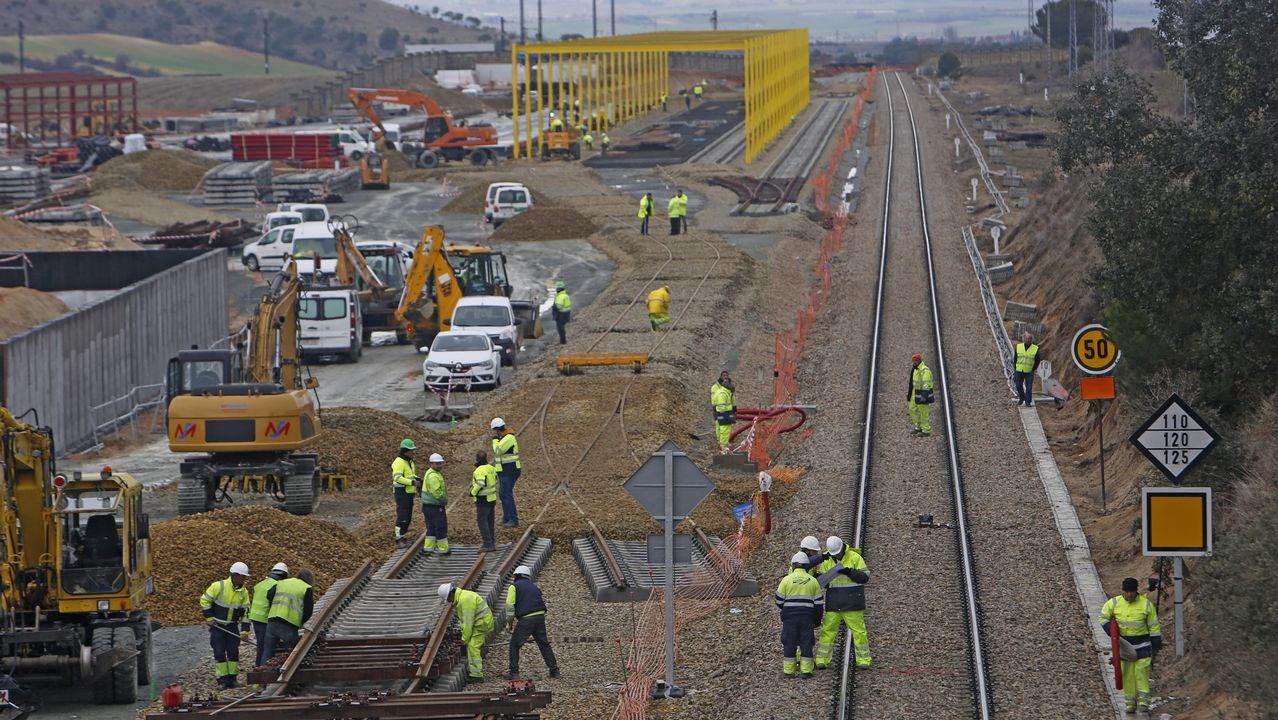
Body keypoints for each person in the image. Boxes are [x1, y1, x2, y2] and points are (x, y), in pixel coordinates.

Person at [1100, 577, 1162, 714]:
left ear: (1136, 591)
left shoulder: (1146, 605)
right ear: (1123, 591)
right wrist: (1108, 629)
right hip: (1125, 646)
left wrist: (1156, 639)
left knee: (1141, 672)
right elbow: (1103, 616)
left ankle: (1144, 702)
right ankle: (1130, 703)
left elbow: (1153, 625)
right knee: (1127, 674)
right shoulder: (1114, 603)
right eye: (1127, 591)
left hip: (1143, 645)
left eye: (1132, 591)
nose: (1129, 594)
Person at [813, 536, 871, 670]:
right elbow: (823, 583)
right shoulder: (828, 559)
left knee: (859, 632)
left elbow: (864, 577)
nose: (837, 555)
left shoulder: (855, 557)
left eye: (838, 553)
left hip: (851, 603)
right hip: (836, 602)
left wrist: (849, 571)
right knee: (828, 631)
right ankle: (822, 659)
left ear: (843, 548)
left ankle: (864, 660)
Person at [200, 562, 251, 688]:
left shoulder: (244, 593)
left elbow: (247, 614)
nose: (244, 579)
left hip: (232, 626)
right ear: (235, 576)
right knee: (219, 652)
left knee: (233, 652)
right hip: (218, 626)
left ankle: (232, 679)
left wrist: (245, 632)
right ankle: (222, 680)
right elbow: (204, 600)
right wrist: (209, 618)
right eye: (243, 577)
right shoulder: (219, 586)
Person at [505, 565, 560, 679]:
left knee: (514, 645)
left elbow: (510, 606)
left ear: (516, 575)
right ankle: (554, 670)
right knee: (543, 644)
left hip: (526, 619)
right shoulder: (534, 587)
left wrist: (509, 623)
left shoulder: (514, 587)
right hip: (539, 617)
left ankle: (513, 673)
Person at [775, 551, 823, 679]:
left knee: (789, 642)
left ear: (793, 565)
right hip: (807, 617)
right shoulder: (813, 581)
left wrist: (787, 608)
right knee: (806, 642)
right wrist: (817, 620)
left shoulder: (786, 580)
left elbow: (779, 600)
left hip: (790, 618)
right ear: (807, 565)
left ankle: (789, 672)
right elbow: (819, 604)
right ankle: (806, 671)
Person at [439, 582, 494, 683]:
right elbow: (465, 622)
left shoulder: (465, 600)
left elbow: (468, 623)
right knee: (472, 643)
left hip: (482, 624)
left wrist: (464, 640)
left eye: (447, 599)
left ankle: (477, 675)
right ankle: (474, 669)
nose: (448, 602)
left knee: (473, 646)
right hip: (480, 622)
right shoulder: (462, 598)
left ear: (451, 594)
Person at [261, 568, 315, 665]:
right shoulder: (306, 588)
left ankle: (262, 674)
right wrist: (301, 622)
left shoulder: (282, 582)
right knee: (290, 653)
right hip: (289, 624)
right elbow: (308, 611)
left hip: (272, 620)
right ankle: (286, 675)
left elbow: (269, 595)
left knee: (268, 651)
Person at [248, 562, 289, 667]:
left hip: (256, 618)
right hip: (265, 619)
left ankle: (260, 668)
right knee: (266, 647)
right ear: (283, 575)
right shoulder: (276, 585)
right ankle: (261, 671)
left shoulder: (261, 583)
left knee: (261, 646)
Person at [490, 418, 522, 528]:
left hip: (510, 470)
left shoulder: (508, 438)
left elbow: (498, 450)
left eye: (494, 430)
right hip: (504, 470)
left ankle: (513, 519)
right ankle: (507, 518)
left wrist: (494, 439)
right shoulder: (504, 438)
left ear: (497, 429)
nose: (493, 433)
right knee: (503, 494)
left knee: (506, 494)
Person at [419, 453, 449, 554]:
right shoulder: (433, 476)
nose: (439, 465)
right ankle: (443, 549)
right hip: (435, 506)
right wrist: (444, 500)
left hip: (428, 506)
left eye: (440, 463)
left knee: (431, 527)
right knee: (440, 527)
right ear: (431, 464)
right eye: (437, 464)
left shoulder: (430, 473)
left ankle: (428, 548)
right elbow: (437, 493)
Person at [392, 439, 419, 546]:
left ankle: (403, 536)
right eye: (411, 450)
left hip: (408, 493)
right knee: (402, 516)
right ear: (405, 451)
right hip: (401, 493)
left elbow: (410, 475)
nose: (413, 453)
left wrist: (418, 479)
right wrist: (412, 483)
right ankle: (399, 539)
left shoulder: (410, 462)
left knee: (407, 516)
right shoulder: (399, 462)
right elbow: (398, 478)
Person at [472, 451, 498, 551]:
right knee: (490, 521)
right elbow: (495, 480)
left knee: (482, 522)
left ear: (477, 459)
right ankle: (492, 541)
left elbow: (480, 483)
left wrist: (473, 492)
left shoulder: (479, 470)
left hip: (482, 500)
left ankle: (487, 544)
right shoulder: (492, 468)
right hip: (492, 498)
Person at [908, 352, 934, 437]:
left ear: (919, 360)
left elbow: (926, 383)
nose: (914, 362)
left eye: (915, 360)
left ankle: (926, 430)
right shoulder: (915, 369)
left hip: (922, 394)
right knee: (913, 410)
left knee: (923, 412)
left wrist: (924, 395)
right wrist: (909, 394)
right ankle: (918, 427)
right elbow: (912, 383)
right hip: (915, 393)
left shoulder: (924, 370)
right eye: (913, 360)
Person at [710, 371, 737, 453]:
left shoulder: (726, 389)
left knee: (724, 429)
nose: (725, 377)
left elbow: (731, 399)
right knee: (721, 428)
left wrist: (734, 409)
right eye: (723, 375)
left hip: (724, 411)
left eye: (726, 375)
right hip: (721, 411)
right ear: (720, 376)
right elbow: (718, 402)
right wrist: (725, 414)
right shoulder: (718, 389)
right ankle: (721, 444)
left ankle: (723, 443)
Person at [1013, 331, 1041, 407]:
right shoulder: (1018, 347)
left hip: (1029, 371)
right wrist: (1015, 367)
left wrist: (1033, 368)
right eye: (1027, 338)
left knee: (1029, 387)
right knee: (1018, 385)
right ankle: (1022, 398)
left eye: (1029, 338)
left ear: (1031, 339)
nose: (1028, 340)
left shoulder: (1035, 348)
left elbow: (1037, 360)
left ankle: (1028, 402)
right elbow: (1015, 358)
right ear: (1024, 338)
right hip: (1019, 370)